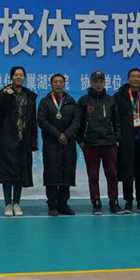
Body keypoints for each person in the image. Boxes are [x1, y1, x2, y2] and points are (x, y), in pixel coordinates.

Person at [0, 66, 38, 216]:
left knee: (20, 172)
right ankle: (8, 204)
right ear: (11, 77)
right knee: (7, 172)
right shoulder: (4, 92)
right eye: (16, 75)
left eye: (21, 75)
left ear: (24, 77)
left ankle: (17, 203)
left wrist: (33, 141)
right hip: (6, 139)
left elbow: (33, 121)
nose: (19, 77)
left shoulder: (29, 95)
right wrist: (5, 96)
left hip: (23, 140)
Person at [77, 70, 123, 215]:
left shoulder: (111, 100)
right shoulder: (84, 101)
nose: (98, 84)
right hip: (90, 144)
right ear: (91, 82)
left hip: (109, 143)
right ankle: (96, 203)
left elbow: (117, 121)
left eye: (101, 81)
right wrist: (80, 140)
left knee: (113, 175)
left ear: (104, 83)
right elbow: (78, 122)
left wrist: (117, 139)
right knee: (93, 176)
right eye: (95, 81)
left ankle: (114, 202)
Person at [38, 74, 80, 216]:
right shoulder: (45, 102)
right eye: (55, 82)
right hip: (51, 144)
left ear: (64, 84)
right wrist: (58, 135)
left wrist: (66, 134)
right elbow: (42, 121)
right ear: (51, 84)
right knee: (52, 174)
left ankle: (63, 204)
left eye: (60, 82)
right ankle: (52, 205)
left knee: (66, 174)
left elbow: (76, 122)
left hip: (68, 143)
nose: (58, 84)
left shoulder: (71, 102)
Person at [114, 68, 140, 214]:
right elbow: (115, 119)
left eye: (138, 76)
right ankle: (128, 201)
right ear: (128, 79)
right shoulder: (119, 97)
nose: (136, 79)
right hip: (125, 141)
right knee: (127, 172)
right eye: (133, 76)